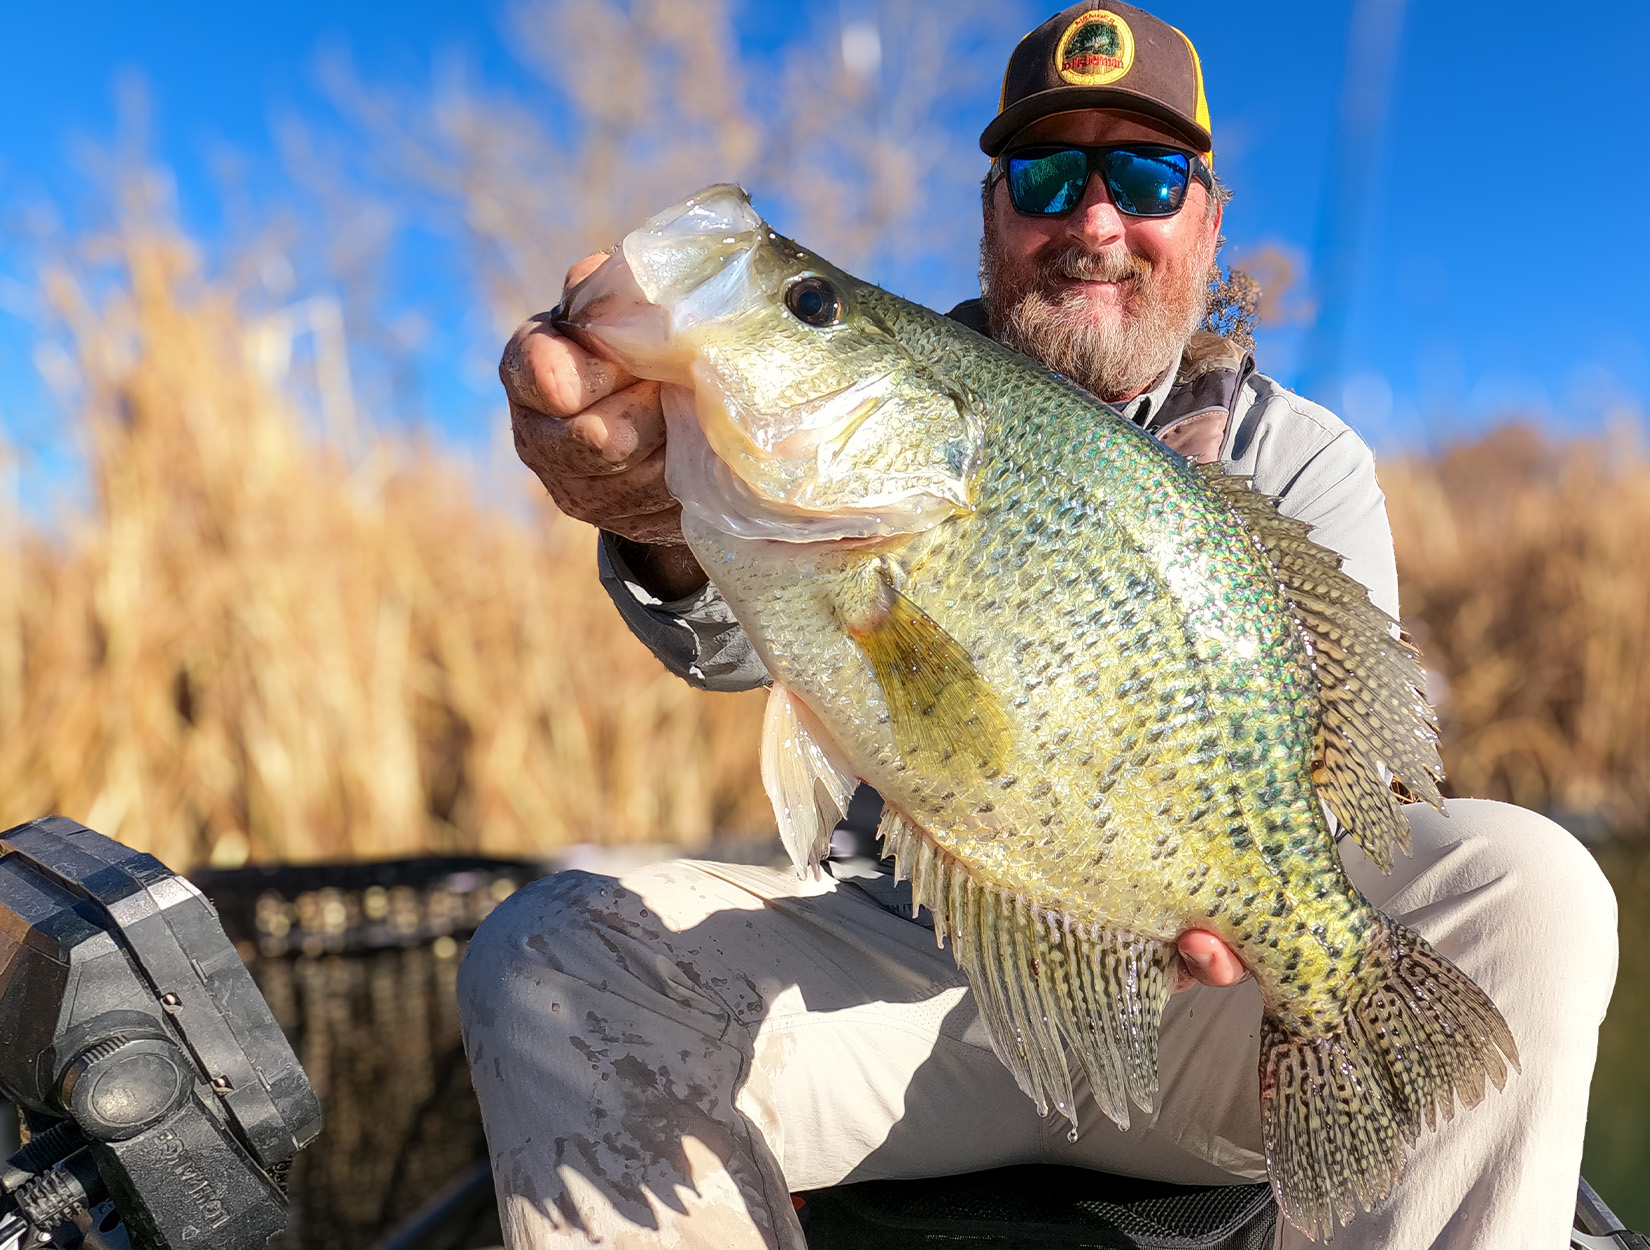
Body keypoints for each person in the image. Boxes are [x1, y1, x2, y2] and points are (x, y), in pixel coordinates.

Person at [463, 4, 1619, 1248]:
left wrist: (1224, 905)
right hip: (895, 993)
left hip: (1193, 1024)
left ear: (1210, 219)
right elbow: (736, 636)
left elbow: (1339, 796)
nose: (1095, 221)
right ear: (991, 216)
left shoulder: (1310, 465)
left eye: (1148, 174)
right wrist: (656, 514)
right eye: (1048, 174)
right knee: (546, 959)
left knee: (1532, 887)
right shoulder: (869, 416)